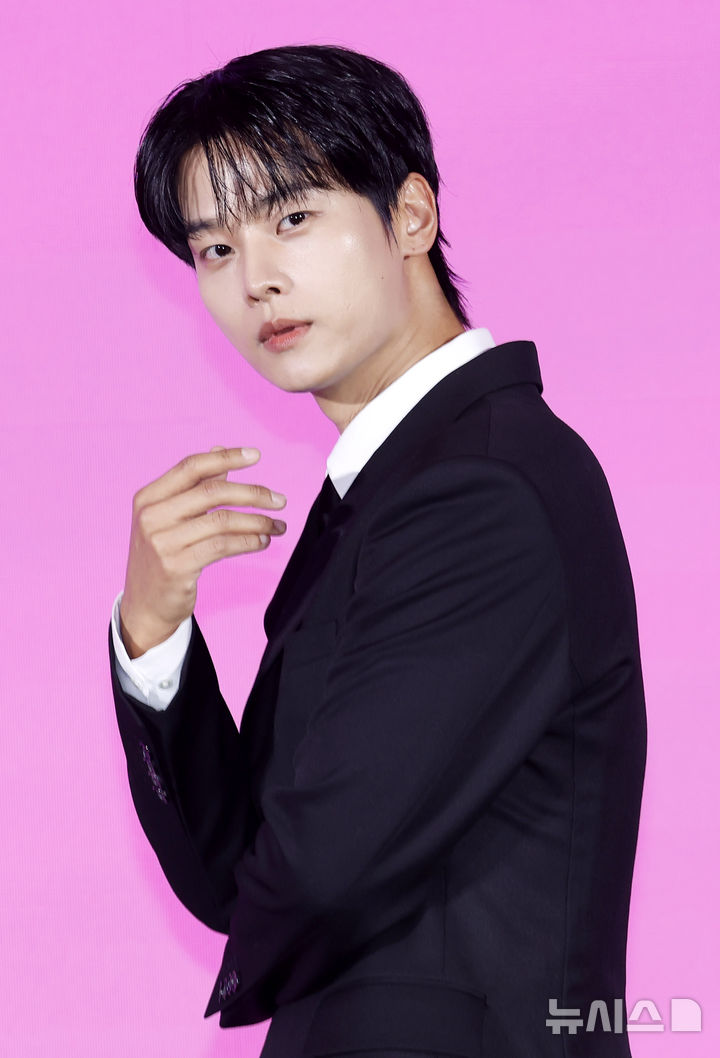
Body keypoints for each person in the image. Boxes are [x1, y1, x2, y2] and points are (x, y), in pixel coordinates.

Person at [108, 43, 647, 1058]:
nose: (257, 281)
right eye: (215, 248)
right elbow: (238, 874)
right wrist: (153, 630)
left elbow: (314, 871)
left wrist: (273, 896)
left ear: (410, 215)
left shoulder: (479, 489)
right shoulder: (396, 485)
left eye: (292, 218)